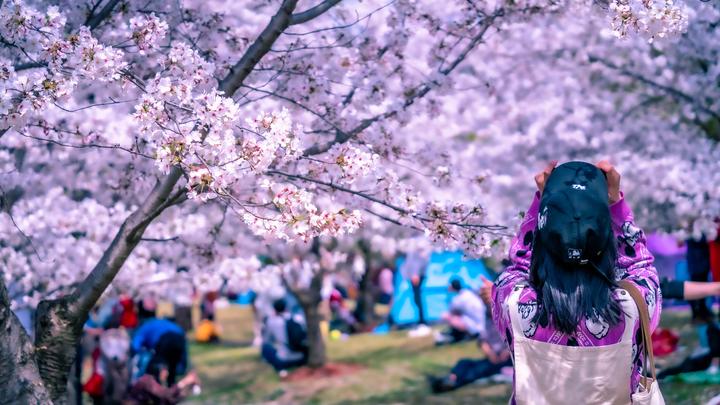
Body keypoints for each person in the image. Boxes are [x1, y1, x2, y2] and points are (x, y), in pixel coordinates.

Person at [491, 161, 661, 404]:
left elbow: (519, 264)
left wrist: (543, 202)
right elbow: (640, 265)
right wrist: (616, 206)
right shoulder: (632, 306)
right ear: (607, 243)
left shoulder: (515, 304)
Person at [429, 280, 512, 392]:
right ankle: (451, 378)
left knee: (480, 369)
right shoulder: (486, 319)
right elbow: (482, 340)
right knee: (464, 362)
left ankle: (454, 383)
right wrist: (490, 353)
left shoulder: (507, 317)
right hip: (493, 357)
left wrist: (506, 353)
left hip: (507, 358)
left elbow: (516, 340)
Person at [131, 318, 188, 386]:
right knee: (172, 366)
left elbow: (135, 345)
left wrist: (136, 354)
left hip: (165, 339)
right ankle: (171, 388)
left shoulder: (144, 327)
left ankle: (156, 388)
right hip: (179, 338)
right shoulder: (157, 322)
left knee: (156, 366)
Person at [261, 299, 308, 376]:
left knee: (265, 347)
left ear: (274, 309)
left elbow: (267, 340)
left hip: (283, 360)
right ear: (286, 307)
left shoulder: (272, 321)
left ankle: (281, 370)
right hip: (301, 357)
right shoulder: (298, 318)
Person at [435, 278, 486, 345]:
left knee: (446, 316)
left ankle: (464, 335)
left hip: (476, 328)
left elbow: (451, 312)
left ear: (451, 287)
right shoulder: (468, 293)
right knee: (458, 316)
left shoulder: (458, 299)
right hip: (484, 325)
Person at [125, 366, 200, 405]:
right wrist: (185, 381)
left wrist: (186, 390)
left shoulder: (153, 381)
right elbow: (164, 395)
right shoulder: (147, 380)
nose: (166, 374)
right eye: (164, 371)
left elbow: (168, 401)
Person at [402, 251, 431, 337]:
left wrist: (415, 274)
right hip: (414, 275)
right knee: (416, 299)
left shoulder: (418, 246)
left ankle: (422, 321)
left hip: (416, 275)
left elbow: (419, 260)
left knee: (418, 299)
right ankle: (420, 320)